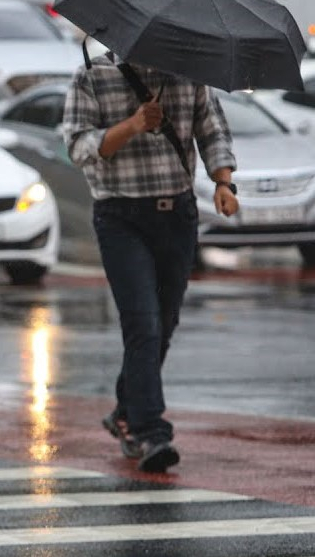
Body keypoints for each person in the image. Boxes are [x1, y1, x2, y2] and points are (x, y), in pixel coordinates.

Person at [63, 52, 238, 473]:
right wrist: (133, 125)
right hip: (120, 217)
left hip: (177, 214)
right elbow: (79, 147)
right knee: (142, 322)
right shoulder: (93, 75)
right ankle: (149, 431)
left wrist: (223, 182)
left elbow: (211, 129)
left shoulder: (188, 69)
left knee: (163, 323)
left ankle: (126, 409)